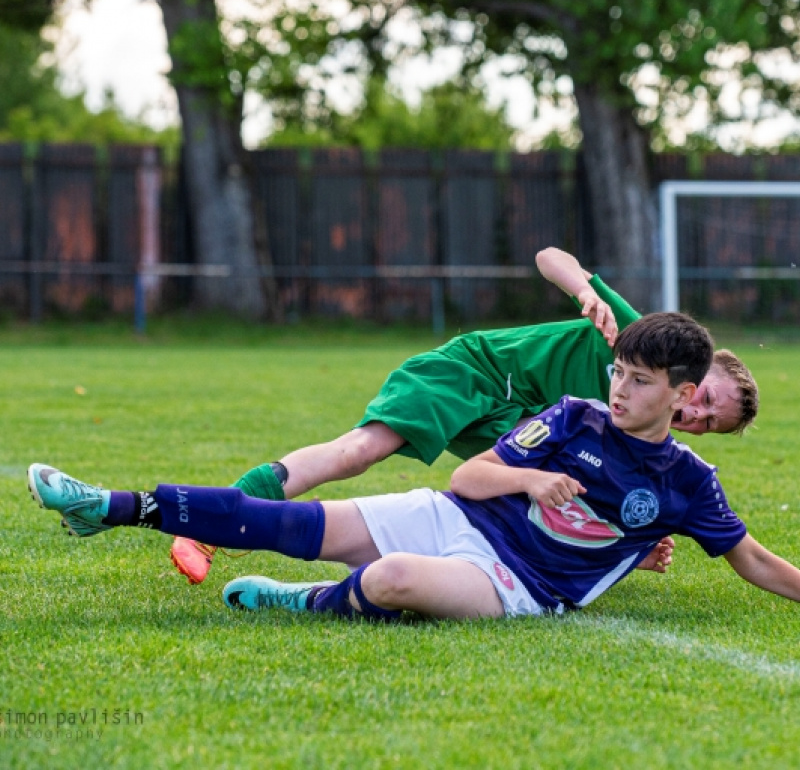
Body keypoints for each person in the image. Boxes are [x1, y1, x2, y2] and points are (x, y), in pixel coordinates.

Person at [29, 312, 791, 623]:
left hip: (519, 585)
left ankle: (310, 599)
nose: (620, 389)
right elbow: (469, 478)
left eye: (641, 382)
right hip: (459, 516)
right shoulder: (573, 414)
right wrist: (531, 479)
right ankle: (111, 507)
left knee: (393, 578)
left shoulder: (688, 483)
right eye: (619, 373)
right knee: (289, 522)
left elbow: (753, 561)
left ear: (682, 395)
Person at [170, 248, 760, 585]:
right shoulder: (640, 341)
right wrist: (586, 290)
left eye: (712, 425)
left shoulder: (646, 429)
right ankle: (209, 523)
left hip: (512, 430)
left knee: (497, 507)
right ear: (697, 375)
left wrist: (640, 543)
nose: (699, 419)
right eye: (708, 400)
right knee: (359, 452)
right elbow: (549, 256)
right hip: (475, 374)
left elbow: (591, 498)